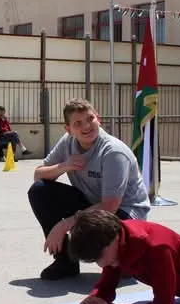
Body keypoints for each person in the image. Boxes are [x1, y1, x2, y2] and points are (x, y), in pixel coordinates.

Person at [29, 98, 151, 281]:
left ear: (98, 119)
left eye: (90, 119)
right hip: (93, 203)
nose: (86, 126)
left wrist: (65, 224)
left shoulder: (113, 152)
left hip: (125, 213)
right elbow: (38, 175)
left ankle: (127, 255)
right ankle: (65, 261)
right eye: (78, 123)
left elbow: (110, 207)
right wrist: (64, 166)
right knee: (39, 191)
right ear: (69, 129)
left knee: (121, 270)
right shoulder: (67, 142)